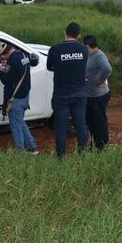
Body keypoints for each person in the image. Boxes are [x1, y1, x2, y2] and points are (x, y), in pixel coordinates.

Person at [47, 22, 88, 158]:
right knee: (81, 125)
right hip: (80, 94)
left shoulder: (55, 49)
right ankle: (82, 154)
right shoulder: (83, 50)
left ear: (65, 32)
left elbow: (49, 67)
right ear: (79, 35)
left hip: (61, 95)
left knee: (61, 127)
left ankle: (61, 157)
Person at [0, 42, 38, 154]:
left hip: (15, 98)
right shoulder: (23, 55)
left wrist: (1, 70)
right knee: (20, 122)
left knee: (16, 126)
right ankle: (33, 147)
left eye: (1, 57)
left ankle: (20, 152)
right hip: (24, 96)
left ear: (4, 54)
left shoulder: (12, 61)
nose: (1, 59)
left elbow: (6, 80)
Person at [82, 35, 112, 150]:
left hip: (98, 96)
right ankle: (95, 144)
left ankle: (102, 147)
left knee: (99, 122)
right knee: (92, 122)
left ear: (87, 46)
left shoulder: (98, 56)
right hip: (90, 95)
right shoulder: (89, 55)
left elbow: (107, 69)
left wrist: (98, 80)